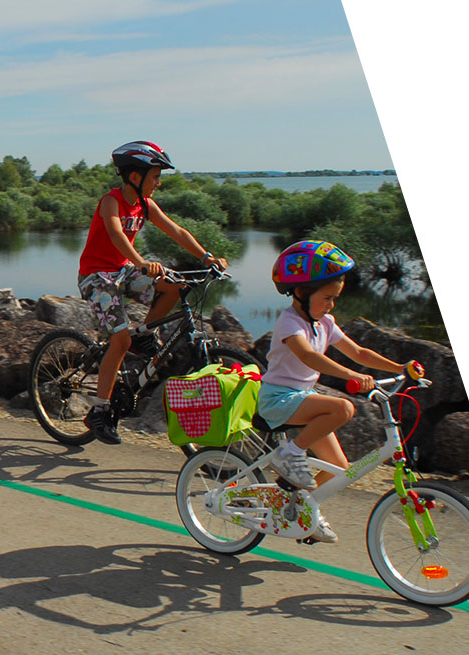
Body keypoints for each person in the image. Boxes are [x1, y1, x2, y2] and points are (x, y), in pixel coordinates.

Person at [261, 240, 416, 543]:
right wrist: (352, 376)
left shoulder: (325, 323)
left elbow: (359, 352)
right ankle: (289, 453)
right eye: (327, 297)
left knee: (338, 468)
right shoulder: (289, 322)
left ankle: (304, 508)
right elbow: (309, 357)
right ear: (302, 293)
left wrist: (400, 368)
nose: (332, 304)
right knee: (343, 408)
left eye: (336, 298)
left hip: (301, 399)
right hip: (277, 399)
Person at [78, 141, 228, 445]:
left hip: (123, 272)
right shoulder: (112, 201)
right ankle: (98, 411)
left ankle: (145, 335)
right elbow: (116, 233)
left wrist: (207, 257)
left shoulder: (145, 204)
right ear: (135, 176)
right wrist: (142, 263)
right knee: (120, 340)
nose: (158, 182)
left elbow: (177, 231)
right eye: (155, 176)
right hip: (96, 276)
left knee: (175, 285)